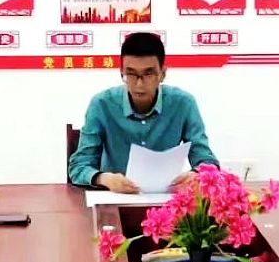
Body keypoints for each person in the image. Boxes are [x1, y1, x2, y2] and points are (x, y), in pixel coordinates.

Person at [68, 32, 219, 193]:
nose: (139, 84)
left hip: (165, 199)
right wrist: (105, 179)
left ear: (162, 74)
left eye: (148, 74)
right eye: (131, 74)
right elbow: (79, 166)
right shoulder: (102, 104)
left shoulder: (183, 104)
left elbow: (209, 163)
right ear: (121, 72)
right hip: (114, 198)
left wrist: (195, 175)